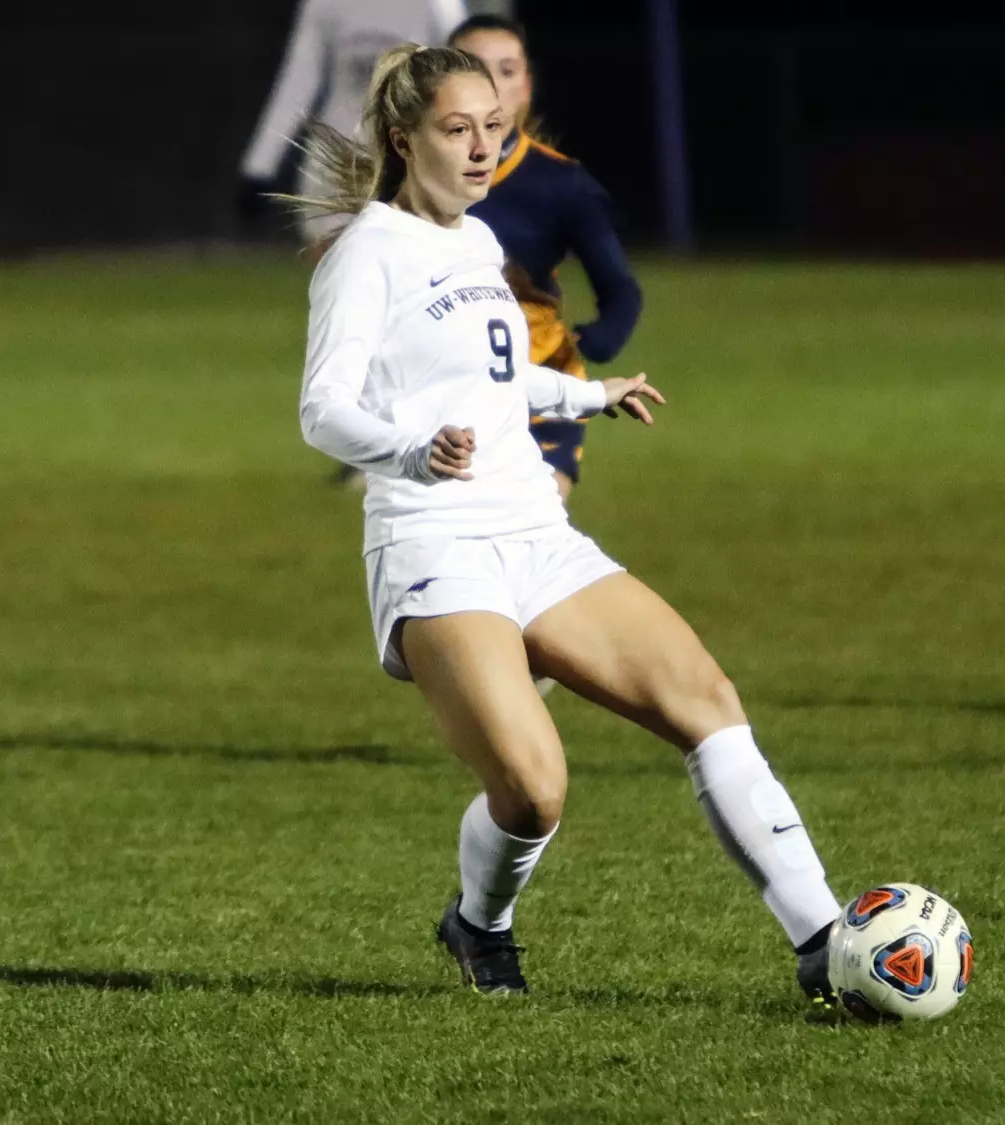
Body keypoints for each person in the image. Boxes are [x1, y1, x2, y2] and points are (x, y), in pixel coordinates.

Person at [285, 44, 843, 1006]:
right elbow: (321, 410)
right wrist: (412, 452)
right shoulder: (366, 254)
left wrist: (588, 393)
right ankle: (480, 923)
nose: (479, 150)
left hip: (534, 529)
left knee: (706, 698)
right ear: (401, 136)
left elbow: (497, 378)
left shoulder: (474, 243)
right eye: (457, 131)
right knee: (536, 787)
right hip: (434, 543)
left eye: (493, 130)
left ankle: (827, 943)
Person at [450, 15, 643, 500]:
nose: (493, 84)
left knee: (539, 520)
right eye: (475, 69)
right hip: (446, 388)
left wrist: (598, 340)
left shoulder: (561, 184)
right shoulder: (407, 178)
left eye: (508, 70)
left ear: (527, 87)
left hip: (543, 382)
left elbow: (620, 290)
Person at [237, 0, 469, 245]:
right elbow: (299, 79)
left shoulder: (439, 5)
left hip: (405, 163)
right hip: (334, 162)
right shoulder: (324, 4)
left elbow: (465, 81)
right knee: (333, 274)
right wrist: (259, 168)